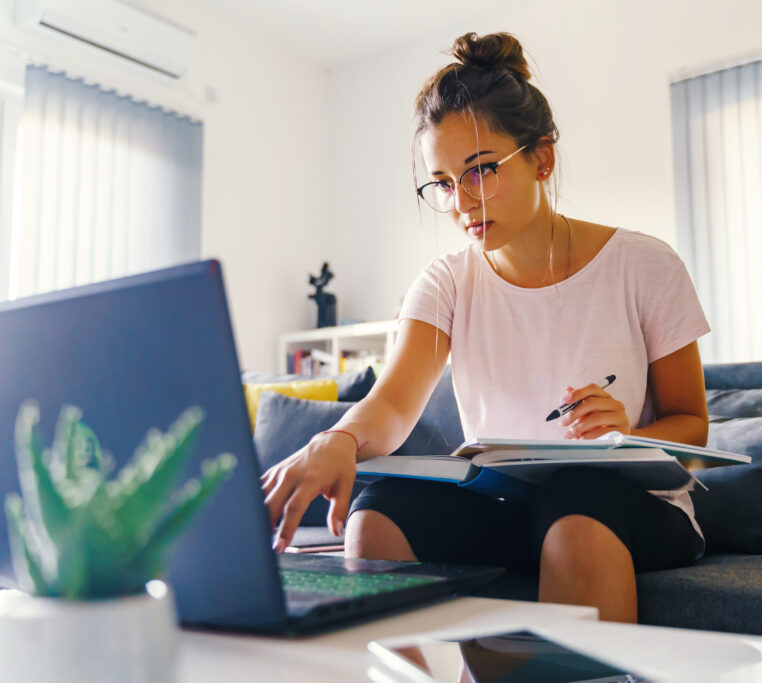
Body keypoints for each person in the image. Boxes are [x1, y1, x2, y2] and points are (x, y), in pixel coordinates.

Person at [261, 32, 711, 623]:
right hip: (506, 504)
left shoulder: (646, 265)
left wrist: (629, 428)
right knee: (381, 509)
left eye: (479, 171)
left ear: (541, 158)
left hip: (630, 506)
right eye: (443, 183)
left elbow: (694, 428)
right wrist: (336, 440)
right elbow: (393, 403)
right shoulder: (445, 282)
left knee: (576, 502)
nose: (460, 204)